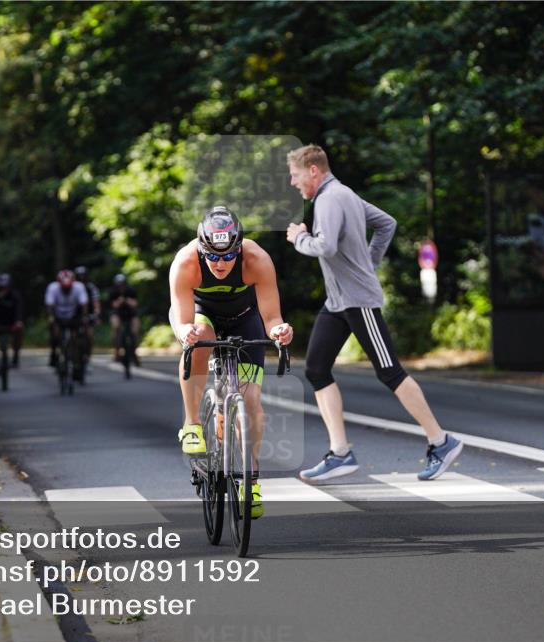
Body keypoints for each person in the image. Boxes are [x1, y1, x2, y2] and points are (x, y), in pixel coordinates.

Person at [285, 144, 463, 482]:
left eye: (295, 176)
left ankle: (441, 442)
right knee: (317, 368)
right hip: (338, 301)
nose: (294, 183)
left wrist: (300, 237)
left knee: (390, 372)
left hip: (357, 300)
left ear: (312, 170)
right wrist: (370, 261)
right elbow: (387, 223)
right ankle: (340, 453)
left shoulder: (329, 198)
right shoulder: (344, 194)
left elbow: (326, 246)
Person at [169, 206, 294, 519]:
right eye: (212, 256)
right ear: (202, 250)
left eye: (228, 256)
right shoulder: (186, 261)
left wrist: (279, 330)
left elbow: (271, 316)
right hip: (201, 316)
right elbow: (182, 320)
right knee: (197, 340)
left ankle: (250, 481)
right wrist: (188, 334)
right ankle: (192, 423)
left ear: (239, 249)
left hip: (244, 319)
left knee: (250, 401)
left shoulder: (257, 259)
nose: (220, 263)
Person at [45, 269, 88, 381]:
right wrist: (51, 317)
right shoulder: (53, 288)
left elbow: (84, 304)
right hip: (59, 315)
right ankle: (54, 353)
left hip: (73, 315)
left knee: (77, 338)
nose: (66, 290)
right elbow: (50, 305)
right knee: (55, 333)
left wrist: (84, 317)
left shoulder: (79, 287)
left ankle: (77, 361)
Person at [108, 273, 140, 363]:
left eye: (122, 284)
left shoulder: (131, 290)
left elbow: (135, 304)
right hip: (117, 314)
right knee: (116, 327)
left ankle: (134, 352)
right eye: (119, 285)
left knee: (135, 331)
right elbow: (113, 305)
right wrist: (120, 301)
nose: (121, 287)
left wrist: (126, 301)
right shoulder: (112, 291)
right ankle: (117, 351)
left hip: (130, 314)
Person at [74, 266, 102, 365]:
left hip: (88, 314)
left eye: (83, 276)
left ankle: (88, 358)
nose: (81, 279)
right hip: (74, 314)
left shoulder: (91, 287)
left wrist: (96, 314)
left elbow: (96, 303)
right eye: (79, 277)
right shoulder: (72, 287)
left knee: (89, 336)